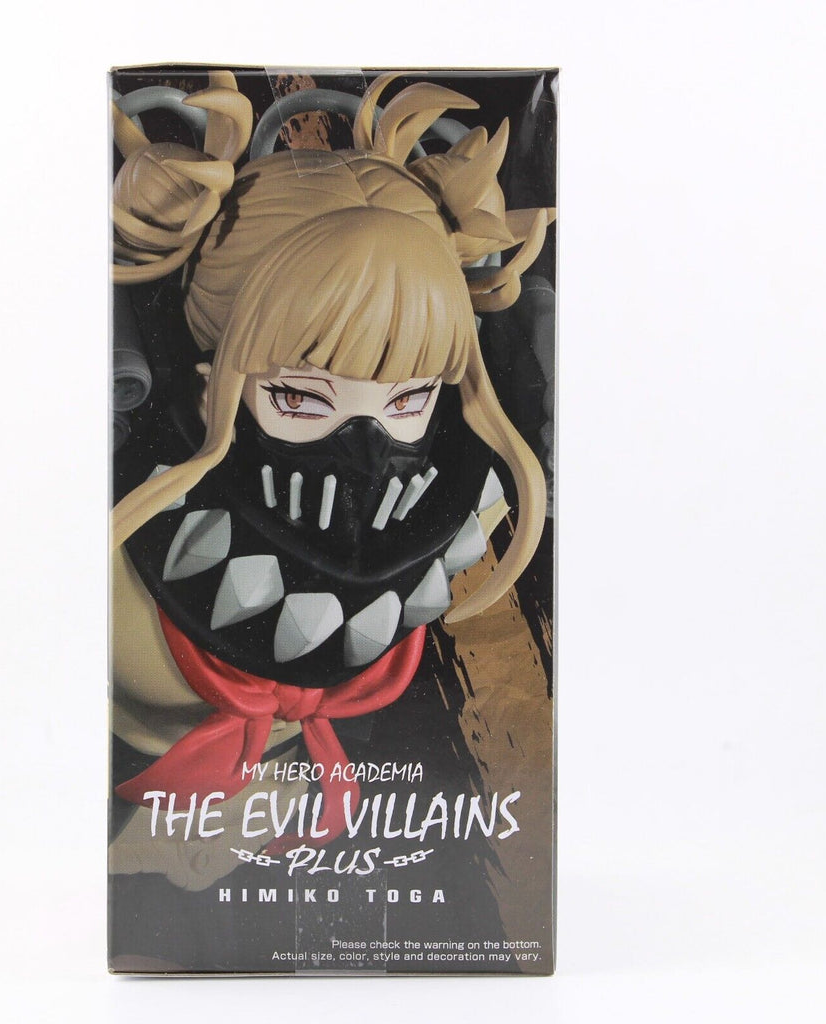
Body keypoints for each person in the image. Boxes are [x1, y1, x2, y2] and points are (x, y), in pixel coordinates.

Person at [109, 71, 554, 884]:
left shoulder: (471, 508)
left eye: (409, 396)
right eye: (299, 396)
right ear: (209, 384)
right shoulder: (109, 556)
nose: (367, 447)